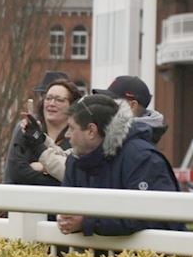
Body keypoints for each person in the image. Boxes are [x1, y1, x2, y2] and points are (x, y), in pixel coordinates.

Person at [56, 94, 186, 236]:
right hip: (95, 256)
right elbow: (66, 206)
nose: (67, 135)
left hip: (153, 255)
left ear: (91, 131)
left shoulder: (142, 158)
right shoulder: (75, 161)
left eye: (71, 128)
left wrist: (87, 222)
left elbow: (154, 214)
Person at [4, 78, 82, 186]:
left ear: (72, 106)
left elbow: (74, 176)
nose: (52, 103)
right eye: (48, 98)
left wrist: (43, 166)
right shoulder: (27, 128)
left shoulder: (77, 135)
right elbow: (15, 173)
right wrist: (53, 175)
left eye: (59, 100)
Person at [93, 75, 167, 144]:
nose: (106, 106)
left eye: (112, 102)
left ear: (132, 106)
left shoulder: (139, 149)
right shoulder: (120, 136)